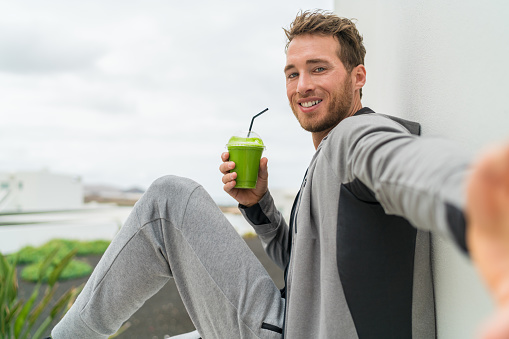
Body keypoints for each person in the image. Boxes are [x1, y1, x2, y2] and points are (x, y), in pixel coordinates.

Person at [50, 10, 509, 339]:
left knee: (169, 201)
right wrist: (258, 205)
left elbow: (407, 165)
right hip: (296, 317)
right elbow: (305, 270)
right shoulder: (327, 160)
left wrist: (481, 200)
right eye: (292, 73)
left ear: (358, 76)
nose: (302, 85)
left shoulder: (357, 137)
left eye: (318, 69)